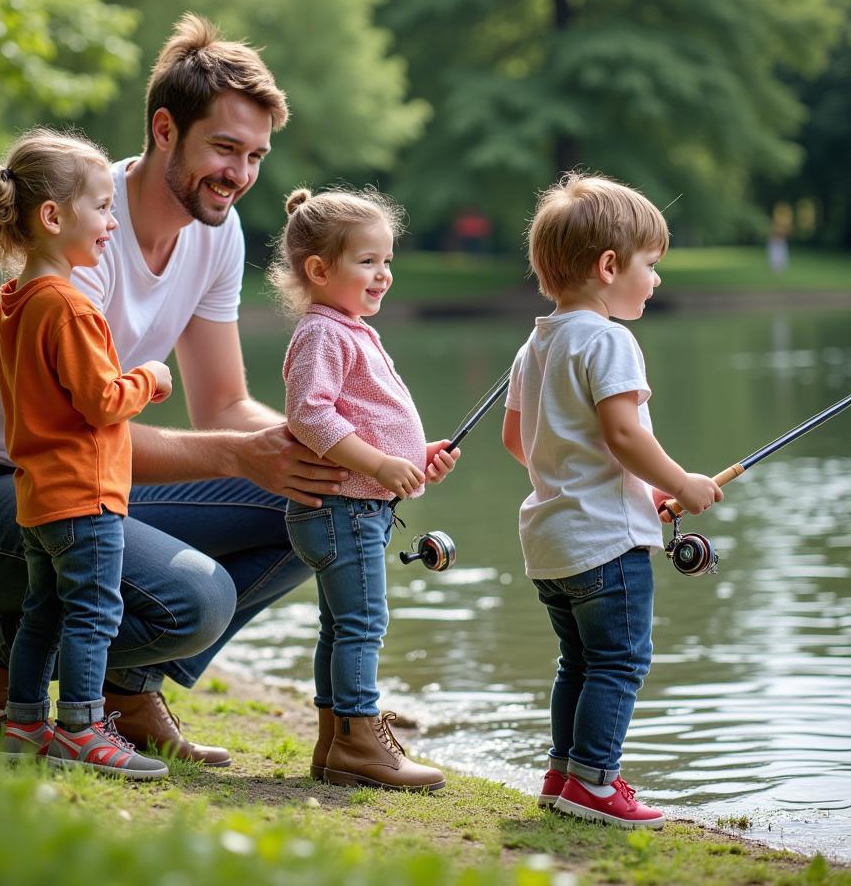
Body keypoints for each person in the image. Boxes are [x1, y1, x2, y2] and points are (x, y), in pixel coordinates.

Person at [0, 14, 344, 763]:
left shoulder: (215, 232)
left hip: (69, 481)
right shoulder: (72, 233)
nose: (240, 173)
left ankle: (126, 686)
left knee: (318, 497)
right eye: (224, 148)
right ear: (166, 129)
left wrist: (337, 451)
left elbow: (225, 403)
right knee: (197, 599)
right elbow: (86, 425)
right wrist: (237, 456)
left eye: (256, 155)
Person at [501, 172, 723, 828]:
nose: (655, 280)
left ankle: (563, 773)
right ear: (608, 266)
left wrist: (626, 483)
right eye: (650, 266)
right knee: (621, 660)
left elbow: (521, 439)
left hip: (552, 542)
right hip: (605, 543)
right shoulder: (607, 339)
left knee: (579, 660)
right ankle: (596, 784)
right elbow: (622, 433)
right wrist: (681, 484)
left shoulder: (536, 343)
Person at [0, 128, 174, 777]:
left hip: (39, 495)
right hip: (85, 494)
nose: (113, 221)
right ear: (54, 217)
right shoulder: (69, 307)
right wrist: (152, 377)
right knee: (93, 612)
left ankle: (26, 725)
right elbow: (101, 400)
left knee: (45, 613)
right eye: (103, 206)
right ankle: (83, 727)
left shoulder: (18, 302)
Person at [268, 186, 459, 792]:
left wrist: (411, 457)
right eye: (368, 262)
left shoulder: (346, 327)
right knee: (363, 624)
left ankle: (334, 743)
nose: (384, 275)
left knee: (340, 625)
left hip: (352, 507)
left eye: (388, 261)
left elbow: (361, 415)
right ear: (320, 270)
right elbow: (311, 415)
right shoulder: (325, 332)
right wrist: (378, 465)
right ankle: (360, 738)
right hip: (343, 509)